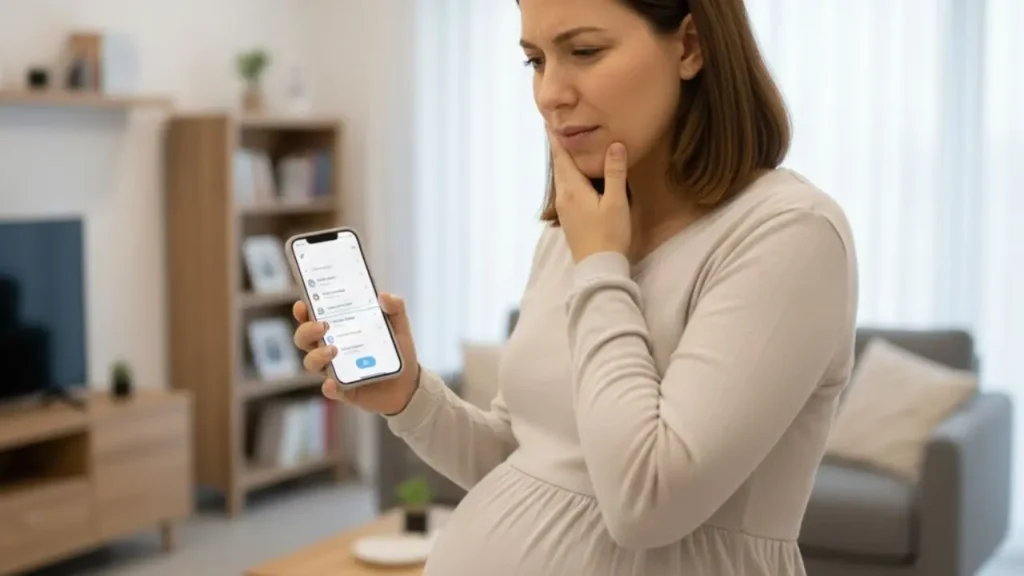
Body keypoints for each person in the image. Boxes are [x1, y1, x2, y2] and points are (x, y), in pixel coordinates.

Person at [292, 0, 858, 573]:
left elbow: (649, 502)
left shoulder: (789, 232)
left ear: (689, 46)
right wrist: (410, 397)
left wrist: (601, 264)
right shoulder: (576, 231)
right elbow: (528, 463)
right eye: (536, 61)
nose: (549, 94)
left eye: (584, 51)